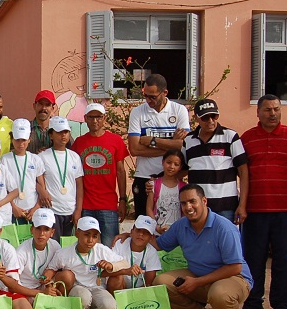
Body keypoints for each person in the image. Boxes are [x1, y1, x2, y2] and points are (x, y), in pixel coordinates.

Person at [154, 184, 253, 309]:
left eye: (192, 201)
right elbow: (158, 245)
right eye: (184, 203)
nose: (188, 207)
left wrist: (198, 282)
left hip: (233, 277)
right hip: (198, 276)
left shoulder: (224, 228)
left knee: (219, 294)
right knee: (161, 282)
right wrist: (133, 234)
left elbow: (235, 267)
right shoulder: (181, 225)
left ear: (204, 201)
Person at [239, 94, 287, 309]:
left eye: (276, 109)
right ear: (258, 113)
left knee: (285, 261)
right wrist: (242, 205)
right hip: (255, 210)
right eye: (267, 110)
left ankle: (283, 307)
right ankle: (253, 303)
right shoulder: (247, 138)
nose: (272, 114)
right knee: (253, 259)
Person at [45, 216, 127, 309]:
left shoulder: (101, 249)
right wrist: (46, 280)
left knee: (110, 306)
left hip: (97, 288)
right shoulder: (64, 253)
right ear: (77, 233)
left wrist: (111, 265)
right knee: (83, 296)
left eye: (94, 236)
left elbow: (124, 263)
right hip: (77, 288)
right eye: (86, 235)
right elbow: (51, 269)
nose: (90, 240)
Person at [127, 74, 190, 218]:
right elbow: (135, 149)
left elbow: (182, 146)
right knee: (144, 224)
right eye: (146, 96)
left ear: (165, 93)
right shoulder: (137, 112)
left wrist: (152, 141)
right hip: (144, 176)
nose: (149, 100)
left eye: (153, 97)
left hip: (171, 177)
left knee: (172, 221)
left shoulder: (179, 110)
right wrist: (170, 146)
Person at [182, 99, 249, 223]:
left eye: (214, 116)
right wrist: (157, 182)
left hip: (226, 208)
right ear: (196, 118)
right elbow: (181, 170)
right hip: (198, 208)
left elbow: (243, 171)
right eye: (205, 118)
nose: (211, 121)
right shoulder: (188, 140)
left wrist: (242, 205)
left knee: (225, 242)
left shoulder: (230, 136)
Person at [72, 102, 129, 246]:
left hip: (108, 204)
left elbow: (121, 171)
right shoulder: (79, 143)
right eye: (91, 117)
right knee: (86, 246)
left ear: (104, 118)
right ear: (85, 118)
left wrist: (123, 200)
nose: (95, 121)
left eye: (98, 117)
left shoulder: (115, 141)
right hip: (86, 205)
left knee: (111, 246)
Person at [39, 116, 84, 236]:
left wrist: (78, 210)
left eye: (66, 132)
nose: (63, 135)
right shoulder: (42, 157)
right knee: (54, 249)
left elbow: (79, 185)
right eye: (59, 132)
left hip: (70, 211)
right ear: (51, 135)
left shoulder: (74, 157)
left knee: (68, 249)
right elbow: (36, 181)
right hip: (52, 211)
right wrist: (42, 191)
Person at [1, 119, 45, 225]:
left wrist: (36, 208)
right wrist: (14, 207)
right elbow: (3, 188)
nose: (21, 144)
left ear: (29, 139)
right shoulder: (5, 159)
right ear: (12, 139)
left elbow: (41, 186)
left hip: (32, 211)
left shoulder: (35, 159)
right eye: (17, 140)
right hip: (13, 212)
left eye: (24, 140)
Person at [13, 208, 62, 298]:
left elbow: (57, 268)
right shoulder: (21, 251)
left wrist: (49, 275)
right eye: (38, 228)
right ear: (32, 230)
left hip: (45, 287)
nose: (42, 233)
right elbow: (13, 285)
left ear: (52, 232)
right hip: (25, 289)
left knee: (65, 275)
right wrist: (41, 293)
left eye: (46, 229)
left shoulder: (55, 246)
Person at [105, 215, 160, 289]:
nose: (141, 234)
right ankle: (116, 300)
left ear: (151, 238)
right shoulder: (120, 243)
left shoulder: (152, 251)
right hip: (121, 285)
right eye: (138, 230)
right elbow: (106, 272)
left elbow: (149, 283)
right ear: (131, 232)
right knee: (115, 279)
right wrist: (126, 271)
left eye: (146, 232)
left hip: (140, 289)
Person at [146, 149, 186, 234]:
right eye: (169, 162)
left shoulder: (183, 187)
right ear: (163, 162)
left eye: (176, 164)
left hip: (177, 233)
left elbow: (184, 211)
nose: (171, 166)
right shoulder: (154, 185)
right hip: (157, 232)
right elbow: (149, 208)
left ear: (180, 167)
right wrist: (155, 227)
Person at [28, 89, 57, 154]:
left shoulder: (58, 130)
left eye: (47, 105)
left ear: (52, 109)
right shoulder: (26, 128)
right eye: (41, 104)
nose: (44, 108)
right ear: (34, 106)